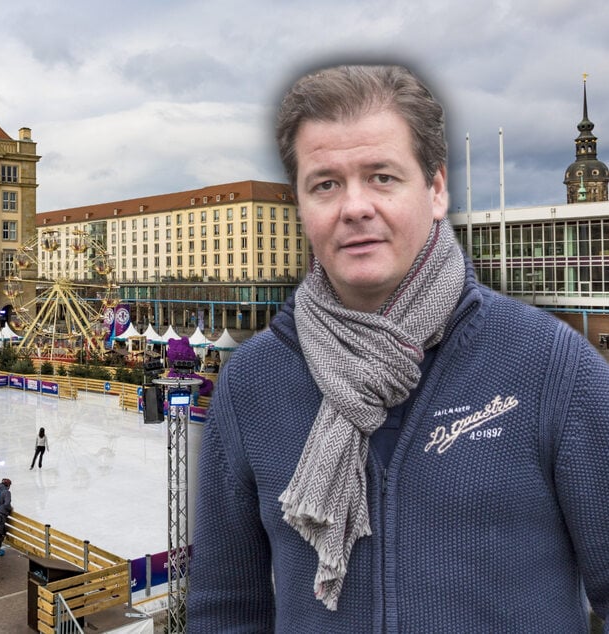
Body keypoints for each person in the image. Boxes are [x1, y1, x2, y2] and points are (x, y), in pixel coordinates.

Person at [187, 63, 609, 631]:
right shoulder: (253, 384)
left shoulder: (553, 367)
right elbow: (225, 610)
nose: (354, 206)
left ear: (435, 189)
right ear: (302, 205)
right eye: (326, 183)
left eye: (381, 176)